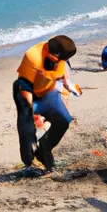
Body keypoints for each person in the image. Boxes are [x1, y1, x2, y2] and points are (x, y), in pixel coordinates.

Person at [13, 35, 81, 176]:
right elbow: (24, 86)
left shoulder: (60, 53)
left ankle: (45, 147)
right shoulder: (33, 58)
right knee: (27, 130)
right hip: (28, 92)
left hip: (48, 91)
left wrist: (68, 85)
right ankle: (29, 163)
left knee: (63, 121)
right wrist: (32, 112)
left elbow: (61, 70)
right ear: (53, 55)